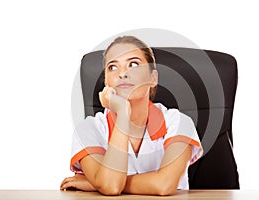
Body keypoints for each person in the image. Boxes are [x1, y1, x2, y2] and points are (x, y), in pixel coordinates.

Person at [60, 36, 203, 195]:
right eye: (113, 67)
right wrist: (122, 113)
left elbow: (164, 185)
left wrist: (97, 182)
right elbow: (111, 187)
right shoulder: (87, 130)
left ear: (153, 78)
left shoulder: (179, 122)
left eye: (133, 64)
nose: (122, 73)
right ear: (106, 82)